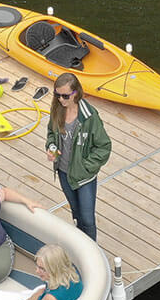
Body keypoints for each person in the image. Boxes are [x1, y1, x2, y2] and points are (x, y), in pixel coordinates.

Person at [44, 72, 112, 241]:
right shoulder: (57, 109)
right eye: (57, 95)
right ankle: (82, 247)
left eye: (65, 96)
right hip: (63, 171)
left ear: (76, 93)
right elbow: (51, 133)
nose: (61, 100)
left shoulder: (89, 117)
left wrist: (85, 166)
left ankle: (92, 252)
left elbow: (104, 146)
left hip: (84, 177)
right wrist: (51, 147)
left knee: (88, 220)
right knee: (76, 214)